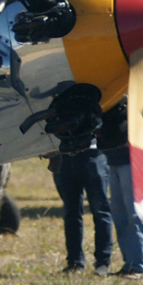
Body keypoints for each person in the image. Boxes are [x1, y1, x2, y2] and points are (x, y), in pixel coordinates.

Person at [51, 109, 113, 275]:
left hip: (93, 153)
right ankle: (75, 262)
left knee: (100, 211)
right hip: (65, 155)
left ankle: (103, 262)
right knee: (71, 212)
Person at [100, 100, 143, 278]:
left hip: (133, 158)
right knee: (120, 215)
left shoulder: (133, 95)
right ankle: (129, 263)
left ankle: (140, 265)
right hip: (113, 158)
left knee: (136, 213)